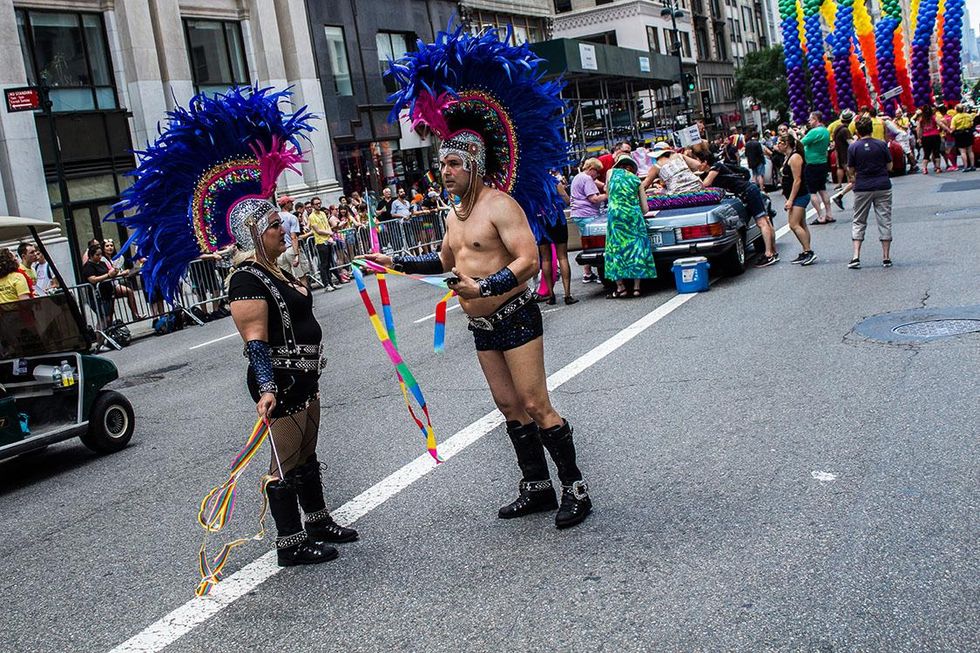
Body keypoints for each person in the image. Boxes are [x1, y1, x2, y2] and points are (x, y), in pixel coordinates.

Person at [109, 86, 355, 571]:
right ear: (251, 233)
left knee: (306, 451)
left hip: (305, 373)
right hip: (280, 378)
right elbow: (255, 341)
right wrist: (267, 387)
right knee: (283, 459)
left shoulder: (275, 268)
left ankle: (318, 520)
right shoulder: (245, 278)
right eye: (274, 225)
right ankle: (290, 542)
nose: (284, 229)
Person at [370, 25, 592, 529]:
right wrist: (394, 263)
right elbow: (444, 263)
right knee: (507, 405)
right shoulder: (455, 214)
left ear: (474, 163)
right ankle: (536, 486)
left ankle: (575, 488)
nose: (444, 171)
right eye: (441, 163)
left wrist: (485, 287)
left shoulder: (499, 205)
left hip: (515, 315)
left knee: (535, 403)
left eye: (453, 163)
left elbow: (528, 261)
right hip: (482, 325)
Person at [690, 143, 778, 267]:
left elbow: (705, 184)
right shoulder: (713, 168)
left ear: (704, 162)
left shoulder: (716, 167)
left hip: (749, 191)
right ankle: (773, 252)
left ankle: (769, 254)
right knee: (766, 221)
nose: (696, 165)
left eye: (697, 162)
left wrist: (692, 179)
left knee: (762, 222)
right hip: (747, 192)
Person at [603, 155, 657, 297]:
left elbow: (608, 194)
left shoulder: (610, 173)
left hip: (616, 218)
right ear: (632, 168)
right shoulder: (636, 180)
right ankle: (636, 287)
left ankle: (620, 287)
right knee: (636, 249)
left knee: (615, 249)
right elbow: (645, 209)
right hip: (633, 218)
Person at [846, 116, 894, 269]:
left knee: (859, 220)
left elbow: (851, 169)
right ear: (871, 129)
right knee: (884, 219)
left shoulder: (853, 147)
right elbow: (890, 166)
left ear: (858, 131)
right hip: (882, 185)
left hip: (863, 186)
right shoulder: (881, 144)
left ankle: (856, 256)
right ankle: (886, 257)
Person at [534, 174, 577, 305]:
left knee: (546, 259)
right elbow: (567, 201)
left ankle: (551, 295)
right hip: (557, 219)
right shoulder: (554, 182)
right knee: (562, 257)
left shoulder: (532, 184)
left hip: (541, 220)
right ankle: (567, 294)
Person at [776, 133, 817, 265]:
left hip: (800, 195)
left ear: (786, 144)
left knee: (793, 224)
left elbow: (797, 180)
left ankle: (809, 251)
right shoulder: (788, 157)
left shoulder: (795, 157)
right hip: (795, 196)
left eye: (779, 143)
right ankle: (805, 251)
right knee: (801, 224)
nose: (777, 145)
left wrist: (791, 200)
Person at [568, 158, 607, 283]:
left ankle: (587, 273)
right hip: (587, 214)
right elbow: (594, 199)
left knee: (587, 244)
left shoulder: (578, 177)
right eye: (597, 172)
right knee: (597, 245)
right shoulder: (587, 179)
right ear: (591, 169)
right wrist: (608, 195)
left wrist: (604, 186)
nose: (598, 175)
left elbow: (597, 183)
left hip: (578, 214)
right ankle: (602, 273)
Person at [801, 111, 834, 225]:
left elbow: (800, 143)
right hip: (822, 162)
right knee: (822, 189)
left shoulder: (814, 132)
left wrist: (796, 135)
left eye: (810, 119)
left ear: (815, 119)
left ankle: (821, 215)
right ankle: (829, 214)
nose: (809, 121)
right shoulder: (825, 131)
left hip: (812, 163)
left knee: (812, 191)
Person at [101, 238, 144, 319]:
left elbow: (118, 271)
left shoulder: (115, 258)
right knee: (110, 310)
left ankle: (135, 314)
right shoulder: (102, 260)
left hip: (115, 285)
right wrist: (122, 273)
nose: (110, 247)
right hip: (107, 286)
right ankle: (109, 323)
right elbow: (110, 274)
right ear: (103, 248)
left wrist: (124, 272)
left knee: (129, 292)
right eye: (107, 246)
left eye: (111, 245)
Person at [306, 197, 341, 292]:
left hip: (328, 240)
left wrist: (330, 235)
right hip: (320, 242)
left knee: (329, 262)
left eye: (319, 203)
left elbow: (327, 226)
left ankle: (331, 282)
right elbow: (317, 230)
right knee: (323, 263)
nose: (318, 205)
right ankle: (326, 284)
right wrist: (329, 233)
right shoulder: (312, 217)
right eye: (316, 204)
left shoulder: (322, 213)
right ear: (313, 205)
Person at [275, 196, 310, 287]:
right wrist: (297, 255)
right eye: (290, 202)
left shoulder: (276, 217)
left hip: (280, 251)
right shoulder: (292, 217)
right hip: (291, 249)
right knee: (301, 276)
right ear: (286, 204)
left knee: (287, 279)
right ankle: (305, 294)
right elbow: (294, 236)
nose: (292, 204)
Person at [81, 244, 119, 324]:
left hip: (107, 294)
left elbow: (110, 272)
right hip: (96, 296)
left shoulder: (102, 263)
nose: (100, 256)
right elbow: (93, 280)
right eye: (97, 255)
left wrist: (115, 272)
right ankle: (101, 331)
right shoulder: (88, 266)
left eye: (101, 254)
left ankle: (106, 330)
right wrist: (108, 275)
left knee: (108, 317)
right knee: (103, 317)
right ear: (91, 255)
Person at [831, 110, 854, 210]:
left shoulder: (838, 128)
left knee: (852, 180)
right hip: (847, 158)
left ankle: (856, 200)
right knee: (854, 180)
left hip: (842, 157)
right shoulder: (845, 131)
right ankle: (840, 196)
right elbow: (851, 144)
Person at [917, 105, 944, 174]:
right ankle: (938, 168)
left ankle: (924, 169)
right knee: (936, 152)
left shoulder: (921, 119)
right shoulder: (934, 117)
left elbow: (919, 129)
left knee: (926, 153)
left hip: (925, 137)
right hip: (935, 136)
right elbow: (941, 124)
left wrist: (919, 138)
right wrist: (947, 130)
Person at [950, 104, 976, 172]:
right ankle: (972, 166)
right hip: (968, 133)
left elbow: (953, 128)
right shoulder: (969, 115)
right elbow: (972, 124)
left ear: (956, 110)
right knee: (970, 151)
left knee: (963, 151)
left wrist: (951, 132)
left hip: (960, 135)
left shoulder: (955, 118)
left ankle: (965, 166)